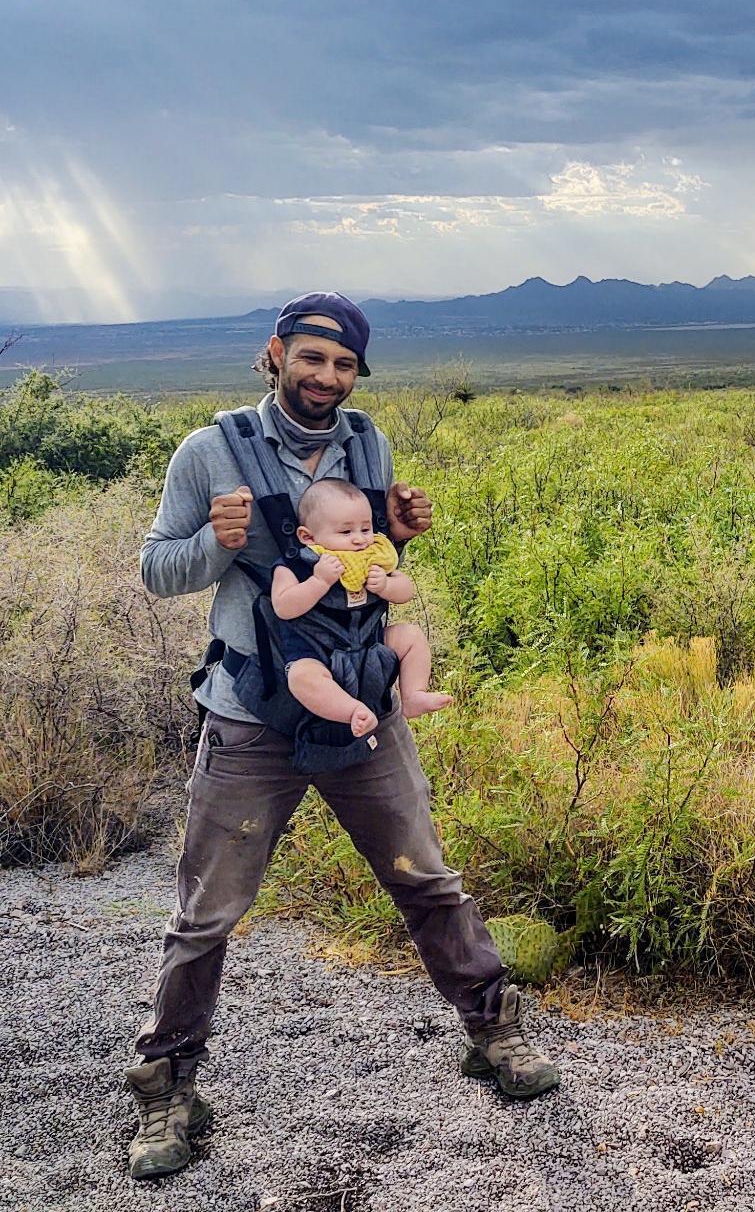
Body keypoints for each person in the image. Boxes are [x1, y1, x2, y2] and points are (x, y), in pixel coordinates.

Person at [123, 292, 559, 1183]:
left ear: (357, 372)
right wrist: (215, 541)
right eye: (311, 359)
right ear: (276, 353)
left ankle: (493, 1033)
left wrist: (395, 535)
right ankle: (170, 1086)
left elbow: (360, 568)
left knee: (427, 878)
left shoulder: (367, 444)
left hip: (363, 705)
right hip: (254, 715)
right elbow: (155, 568)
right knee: (206, 913)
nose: (326, 378)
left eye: (344, 365)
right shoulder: (209, 451)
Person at [271, 475, 451, 740]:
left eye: (365, 529)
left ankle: (413, 695)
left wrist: (386, 586)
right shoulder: (298, 564)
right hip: (317, 652)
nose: (359, 539)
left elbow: (406, 590)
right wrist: (318, 582)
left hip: (369, 646)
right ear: (307, 536)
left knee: (410, 635)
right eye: (346, 532)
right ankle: (352, 711)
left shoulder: (374, 557)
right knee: (301, 676)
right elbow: (283, 606)